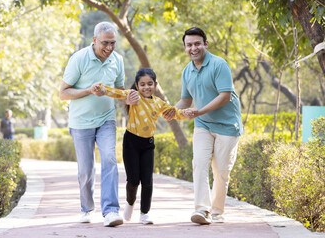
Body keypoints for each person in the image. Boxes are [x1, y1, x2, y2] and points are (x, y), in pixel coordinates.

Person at [59, 21, 139, 227]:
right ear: (94, 40)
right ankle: (86, 208)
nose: (109, 48)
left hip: (106, 119)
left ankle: (111, 211)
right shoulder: (78, 59)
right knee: (86, 170)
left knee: (110, 160)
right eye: (105, 43)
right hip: (81, 122)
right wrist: (88, 90)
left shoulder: (117, 60)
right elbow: (63, 93)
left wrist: (126, 99)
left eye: (113, 43)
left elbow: (119, 90)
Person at [163, 27, 243, 224]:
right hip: (203, 125)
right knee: (199, 163)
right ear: (185, 48)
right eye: (189, 45)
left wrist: (199, 111)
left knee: (221, 172)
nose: (193, 48)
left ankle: (217, 211)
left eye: (197, 43)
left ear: (205, 44)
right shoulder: (187, 71)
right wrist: (173, 110)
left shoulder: (219, 65)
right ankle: (201, 210)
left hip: (227, 126)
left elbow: (225, 96)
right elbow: (186, 100)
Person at [92, 68, 186, 225]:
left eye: (150, 84)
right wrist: (101, 88)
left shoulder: (159, 103)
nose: (146, 87)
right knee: (134, 180)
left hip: (148, 144)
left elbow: (174, 113)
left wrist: (187, 113)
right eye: (142, 84)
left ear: (155, 84)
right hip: (131, 143)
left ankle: (144, 213)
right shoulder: (133, 96)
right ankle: (130, 203)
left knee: (147, 181)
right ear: (137, 85)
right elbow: (116, 93)